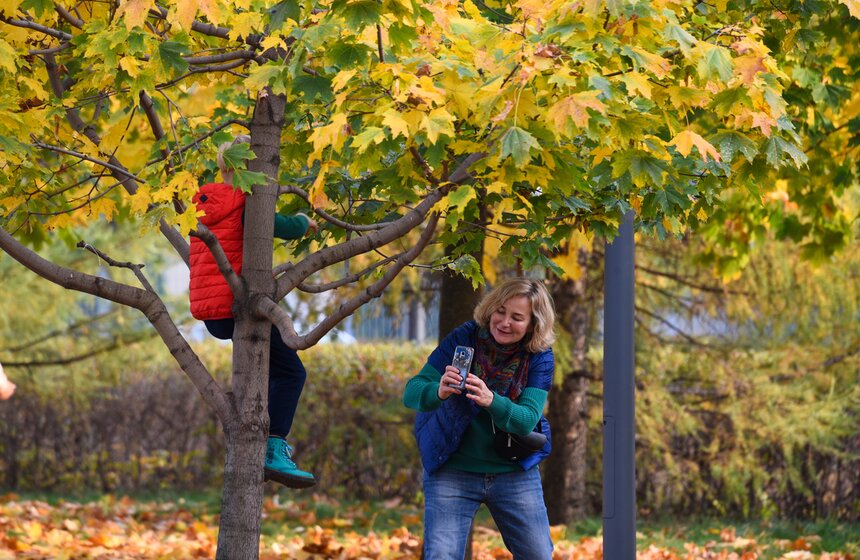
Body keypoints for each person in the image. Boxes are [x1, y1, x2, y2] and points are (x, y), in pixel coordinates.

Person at [189, 135, 318, 488]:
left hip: (211, 309)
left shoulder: (203, 202)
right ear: (251, 167)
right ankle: (273, 447)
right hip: (235, 305)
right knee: (292, 373)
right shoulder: (243, 201)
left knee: (271, 369)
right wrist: (304, 222)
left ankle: (263, 435)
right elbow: (275, 224)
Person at [403, 277, 557, 559]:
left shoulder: (540, 357)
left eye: (517, 317)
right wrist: (438, 390)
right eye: (500, 311)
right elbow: (411, 393)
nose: (504, 322)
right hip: (454, 467)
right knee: (442, 555)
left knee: (538, 555)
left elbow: (526, 420)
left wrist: (492, 401)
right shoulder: (464, 338)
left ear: (534, 324)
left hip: (512, 472)